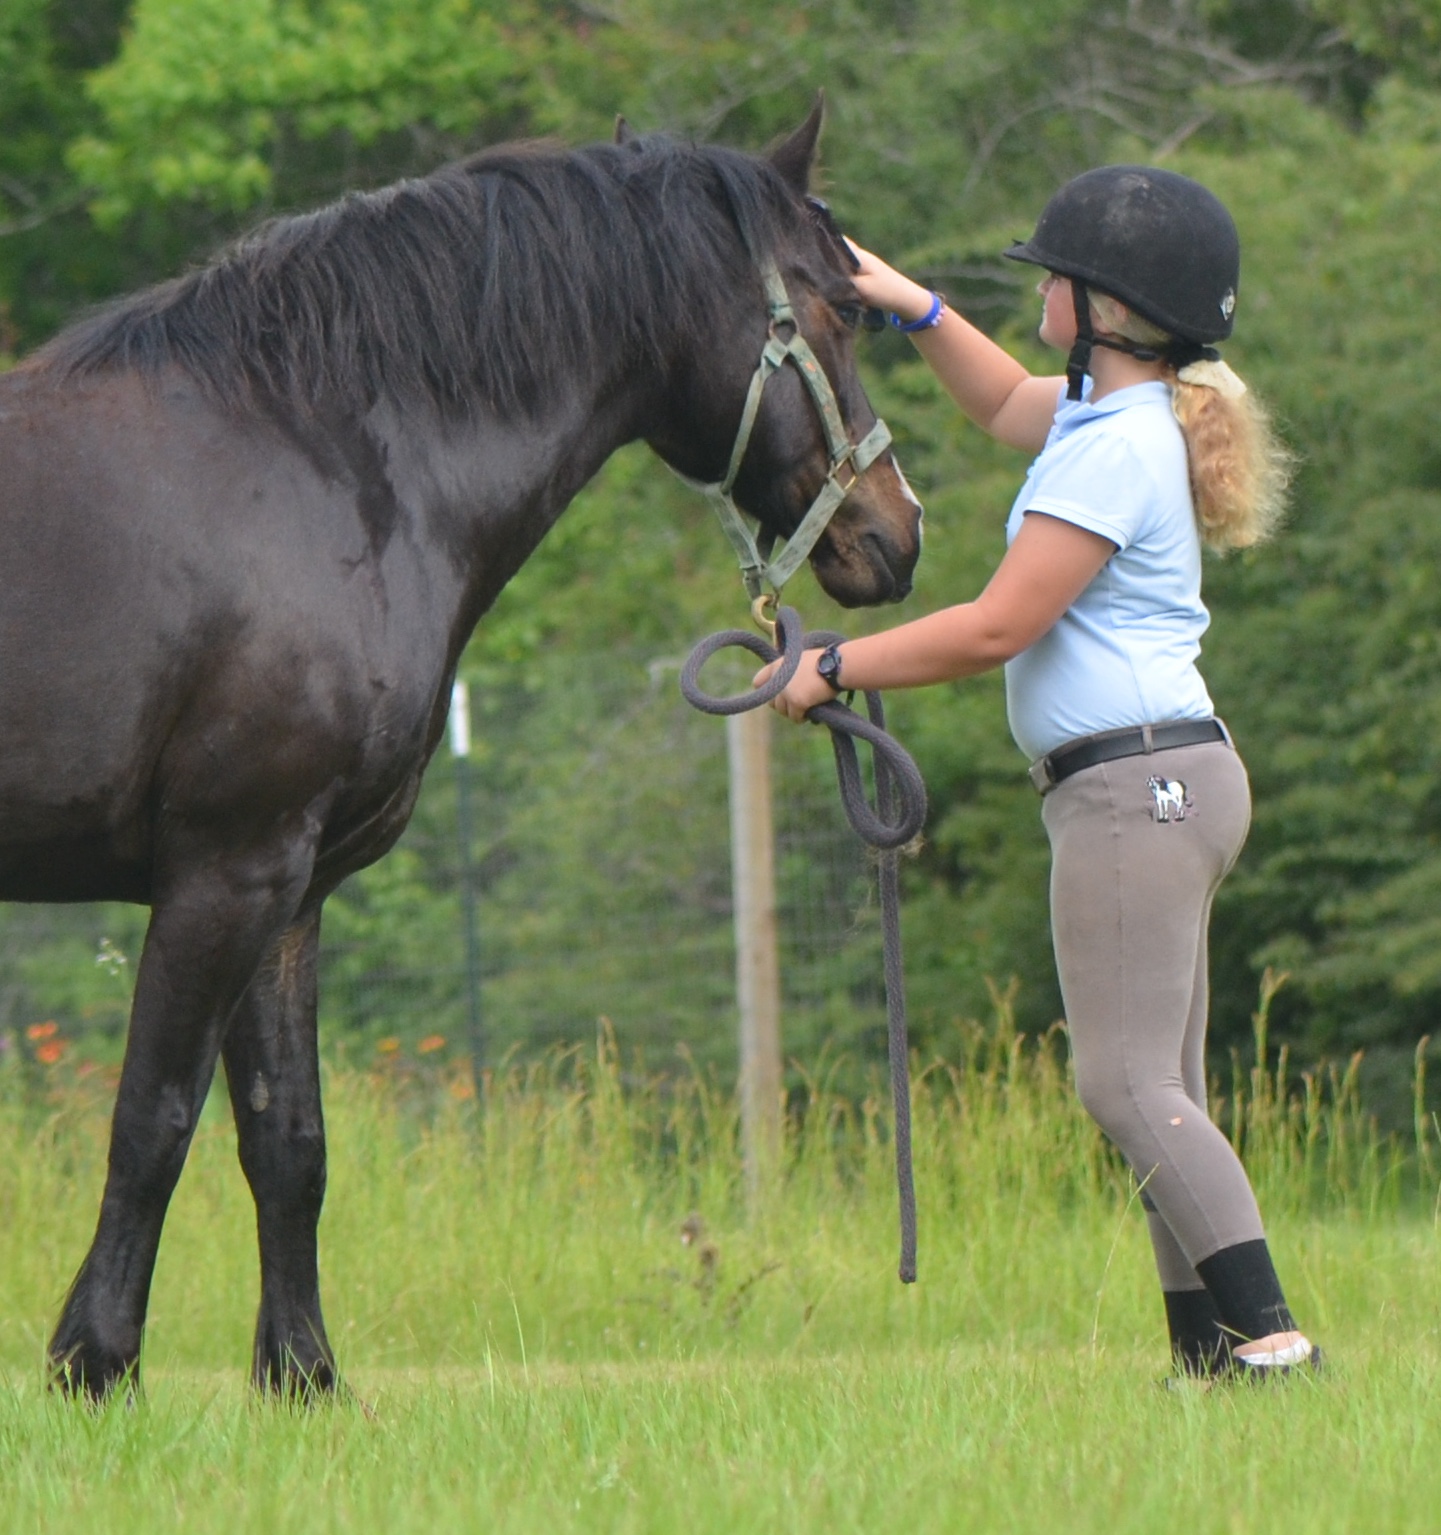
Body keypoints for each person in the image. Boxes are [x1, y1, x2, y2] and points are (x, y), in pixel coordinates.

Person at [758, 164, 1316, 1381]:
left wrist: (837, 663)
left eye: (1054, 276)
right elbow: (1008, 396)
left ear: (1102, 306)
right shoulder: (1115, 419)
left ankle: (1272, 1343)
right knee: (1162, 1083)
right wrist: (911, 304)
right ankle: (1211, 1360)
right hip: (1170, 781)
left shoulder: (1108, 455)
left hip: (1133, 790)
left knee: (1122, 1084)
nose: (1042, 290)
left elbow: (998, 625)